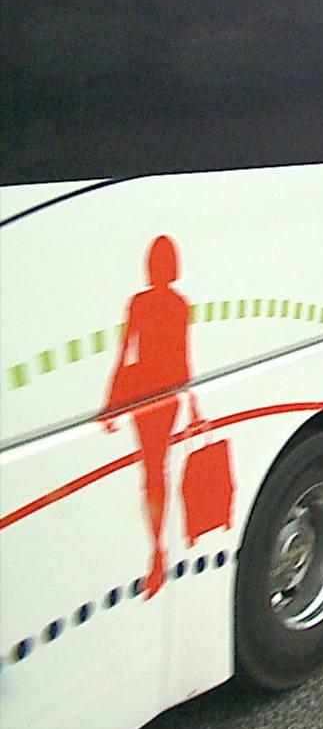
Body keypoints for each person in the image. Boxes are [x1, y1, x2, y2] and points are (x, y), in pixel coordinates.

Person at [100, 235, 201, 599]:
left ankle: (157, 545)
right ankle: (158, 547)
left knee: (152, 469)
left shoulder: (139, 303)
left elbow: (125, 352)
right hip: (168, 394)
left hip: (144, 390)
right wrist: (192, 402)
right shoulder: (179, 304)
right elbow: (183, 358)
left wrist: (111, 404)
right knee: (158, 466)